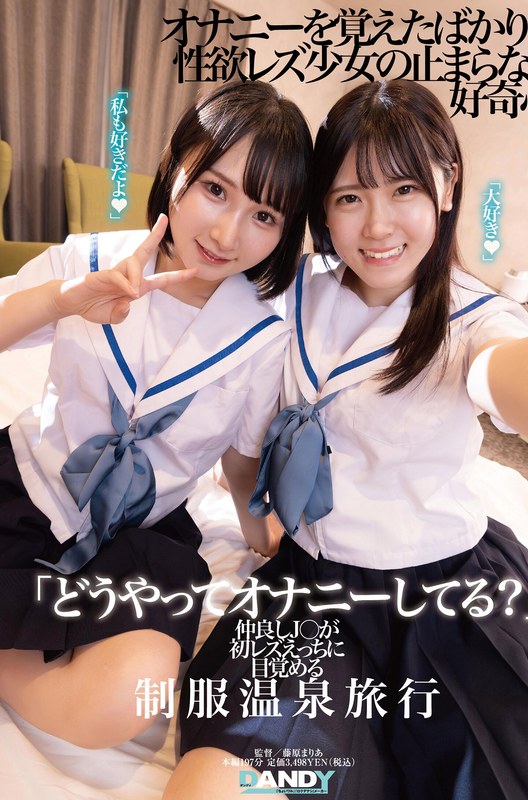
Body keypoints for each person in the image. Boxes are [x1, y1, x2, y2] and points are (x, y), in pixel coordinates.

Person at [166, 79, 528, 799]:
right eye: (350, 197)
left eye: (404, 188)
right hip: (311, 591)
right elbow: (241, 416)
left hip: (443, 597)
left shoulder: (477, 318)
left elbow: (511, 374)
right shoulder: (296, 289)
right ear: (323, 208)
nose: (377, 226)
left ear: (447, 185)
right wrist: (260, 528)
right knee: (210, 787)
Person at [0, 80, 313, 749]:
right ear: (175, 165)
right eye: (216, 189)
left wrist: (264, 534)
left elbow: (240, 459)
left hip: (137, 534)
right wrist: (61, 300)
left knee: (125, 699)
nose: (226, 233)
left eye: (264, 215)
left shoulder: (265, 335)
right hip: (26, 487)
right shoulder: (88, 258)